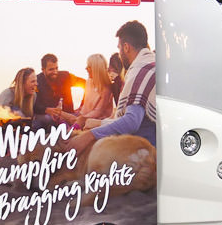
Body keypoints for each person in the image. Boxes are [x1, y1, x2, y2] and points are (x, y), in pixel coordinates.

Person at [66, 21, 156, 156]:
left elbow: (132, 122)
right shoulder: (151, 65)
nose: (119, 54)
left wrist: (90, 135)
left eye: (119, 48)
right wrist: (100, 123)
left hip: (144, 151)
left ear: (126, 47)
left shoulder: (140, 71)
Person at [47, 53, 115, 127]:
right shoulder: (89, 82)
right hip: (82, 115)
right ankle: (68, 126)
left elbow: (98, 112)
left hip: (95, 119)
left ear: (95, 69)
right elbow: (84, 106)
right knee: (57, 113)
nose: (86, 68)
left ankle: (71, 129)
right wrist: (76, 113)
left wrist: (81, 118)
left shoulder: (106, 89)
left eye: (88, 67)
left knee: (78, 120)